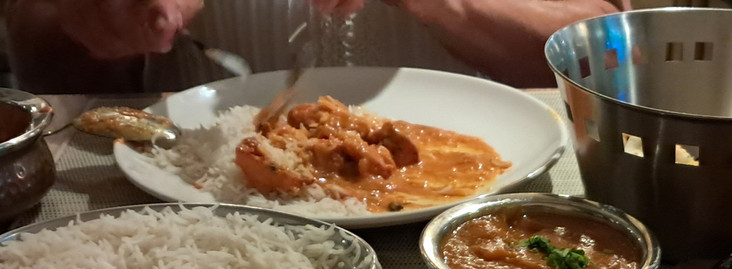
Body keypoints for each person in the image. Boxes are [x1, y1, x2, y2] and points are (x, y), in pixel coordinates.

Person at [4, 0, 629, 93]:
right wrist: (94, 18)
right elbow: (46, 71)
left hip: (468, 208)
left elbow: (610, 51)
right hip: (210, 210)